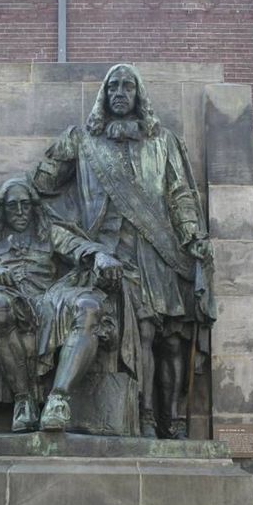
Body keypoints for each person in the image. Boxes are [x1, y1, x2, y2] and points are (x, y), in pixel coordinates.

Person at [31, 63, 215, 438]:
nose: (119, 92)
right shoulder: (83, 141)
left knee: (173, 340)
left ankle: (175, 421)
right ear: (104, 95)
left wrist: (193, 236)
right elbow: (42, 185)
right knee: (142, 334)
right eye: (113, 86)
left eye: (127, 87)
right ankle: (144, 417)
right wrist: (58, 154)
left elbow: (179, 194)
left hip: (158, 249)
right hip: (112, 252)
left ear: (137, 95)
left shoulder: (164, 142)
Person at [0, 177, 123, 434]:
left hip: (47, 299)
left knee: (89, 306)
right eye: (13, 206)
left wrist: (100, 255)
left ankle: (58, 400)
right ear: (3, 210)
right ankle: (23, 401)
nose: (21, 212)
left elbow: (78, 246)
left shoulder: (47, 232)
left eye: (26, 204)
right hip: (6, 296)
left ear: (34, 206)